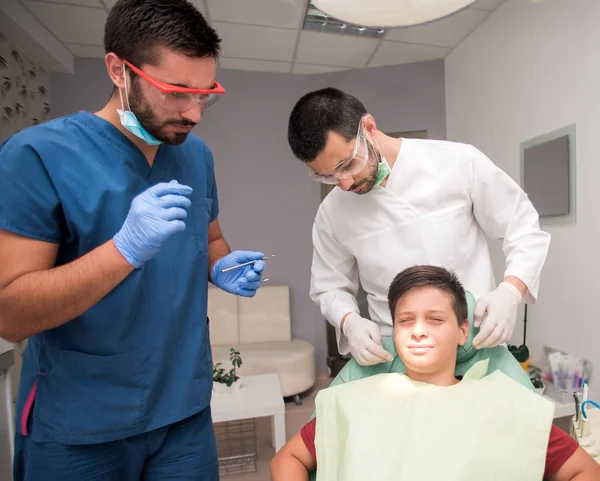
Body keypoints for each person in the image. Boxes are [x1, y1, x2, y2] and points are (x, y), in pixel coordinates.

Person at [0, 0, 264, 479]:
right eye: (177, 92)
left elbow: (211, 238)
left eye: (206, 95)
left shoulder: (195, 155)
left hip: (183, 409)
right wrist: (123, 251)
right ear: (119, 70)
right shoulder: (35, 156)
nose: (195, 113)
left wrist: (221, 265)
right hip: (82, 421)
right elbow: (10, 314)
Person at [287, 88, 551, 366]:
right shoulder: (333, 212)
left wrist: (510, 291)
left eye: (347, 164)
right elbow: (329, 287)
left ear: (369, 127)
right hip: (397, 355)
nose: (344, 184)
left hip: (476, 339)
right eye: (328, 175)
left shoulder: (458, 162)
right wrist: (349, 321)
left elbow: (523, 227)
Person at [270, 266, 600, 481]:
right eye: (405, 320)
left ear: (462, 331)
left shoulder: (504, 403)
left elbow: (584, 471)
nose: (418, 332)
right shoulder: (355, 401)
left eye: (435, 319)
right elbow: (287, 459)